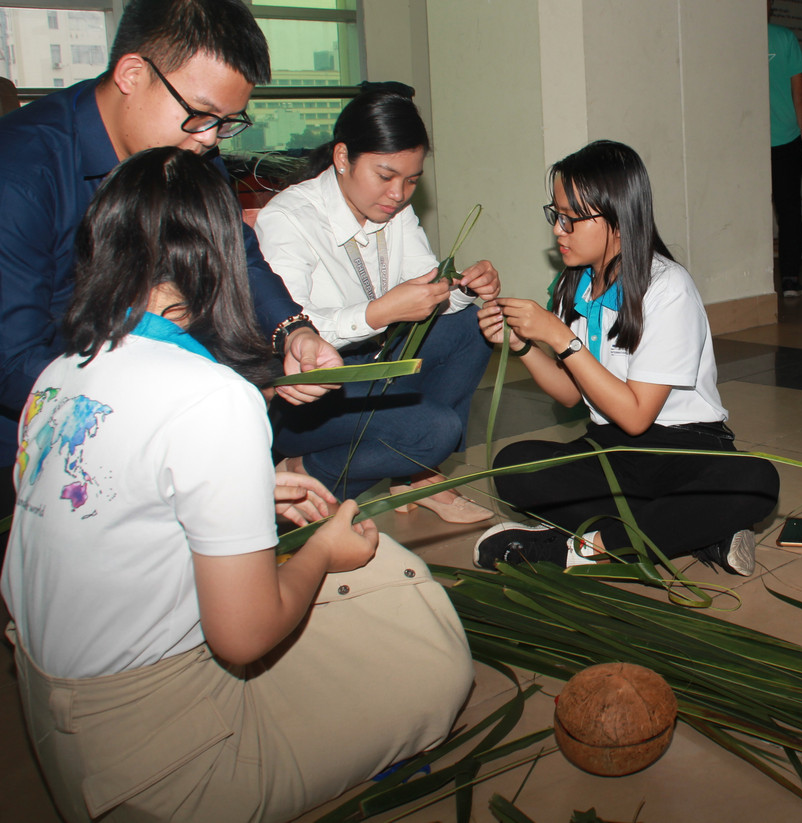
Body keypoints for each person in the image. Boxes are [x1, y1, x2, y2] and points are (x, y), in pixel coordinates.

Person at [1, 148, 472, 823]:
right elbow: (244, 638)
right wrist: (320, 553)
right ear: (219, 256)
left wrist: (256, 485)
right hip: (165, 767)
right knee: (422, 631)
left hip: (55, 721)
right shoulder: (211, 396)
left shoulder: (58, 374)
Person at [0, 0, 342, 492]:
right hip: (40, 435)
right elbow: (13, 359)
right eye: (199, 115)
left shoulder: (188, 154)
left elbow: (238, 257)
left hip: (157, 402)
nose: (207, 140)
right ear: (132, 73)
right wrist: (169, 408)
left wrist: (294, 331)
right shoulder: (21, 173)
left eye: (225, 123)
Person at [472, 141, 780, 576]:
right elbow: (568, 394)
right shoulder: (574, 285)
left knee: (757, 481)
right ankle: (692, 530)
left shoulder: (667, 288)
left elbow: (637, 416)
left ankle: (581, 548)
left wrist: (560, 337)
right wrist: (522, 345)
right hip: (610, 447)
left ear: (617, 218)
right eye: (554, 215)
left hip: (684, 448)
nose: (558, 229)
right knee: (515, 466)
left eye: (570, 219)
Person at [254, 87, 498, 517]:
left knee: (470, 327)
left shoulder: (392, 210)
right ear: (343, 157)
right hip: (310, 391)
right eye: (385, 176)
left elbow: (424, 282)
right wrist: (378, 313)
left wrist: (462, 287)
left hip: (376, 364)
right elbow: (289, 330)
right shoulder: (289, 218)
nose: (399, 194)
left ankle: (416, 472)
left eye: (411, 180)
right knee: (437, 429)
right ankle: (307, 472)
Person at [768, 0, 802, 298]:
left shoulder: (784, 38)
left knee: (788, 210)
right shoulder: (783, 37)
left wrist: (799, 136)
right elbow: (799, 93)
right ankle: (789, 278)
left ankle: (790, 275)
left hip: (783, 138)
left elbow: (798, 91)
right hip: (765, 142)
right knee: (788, 210)